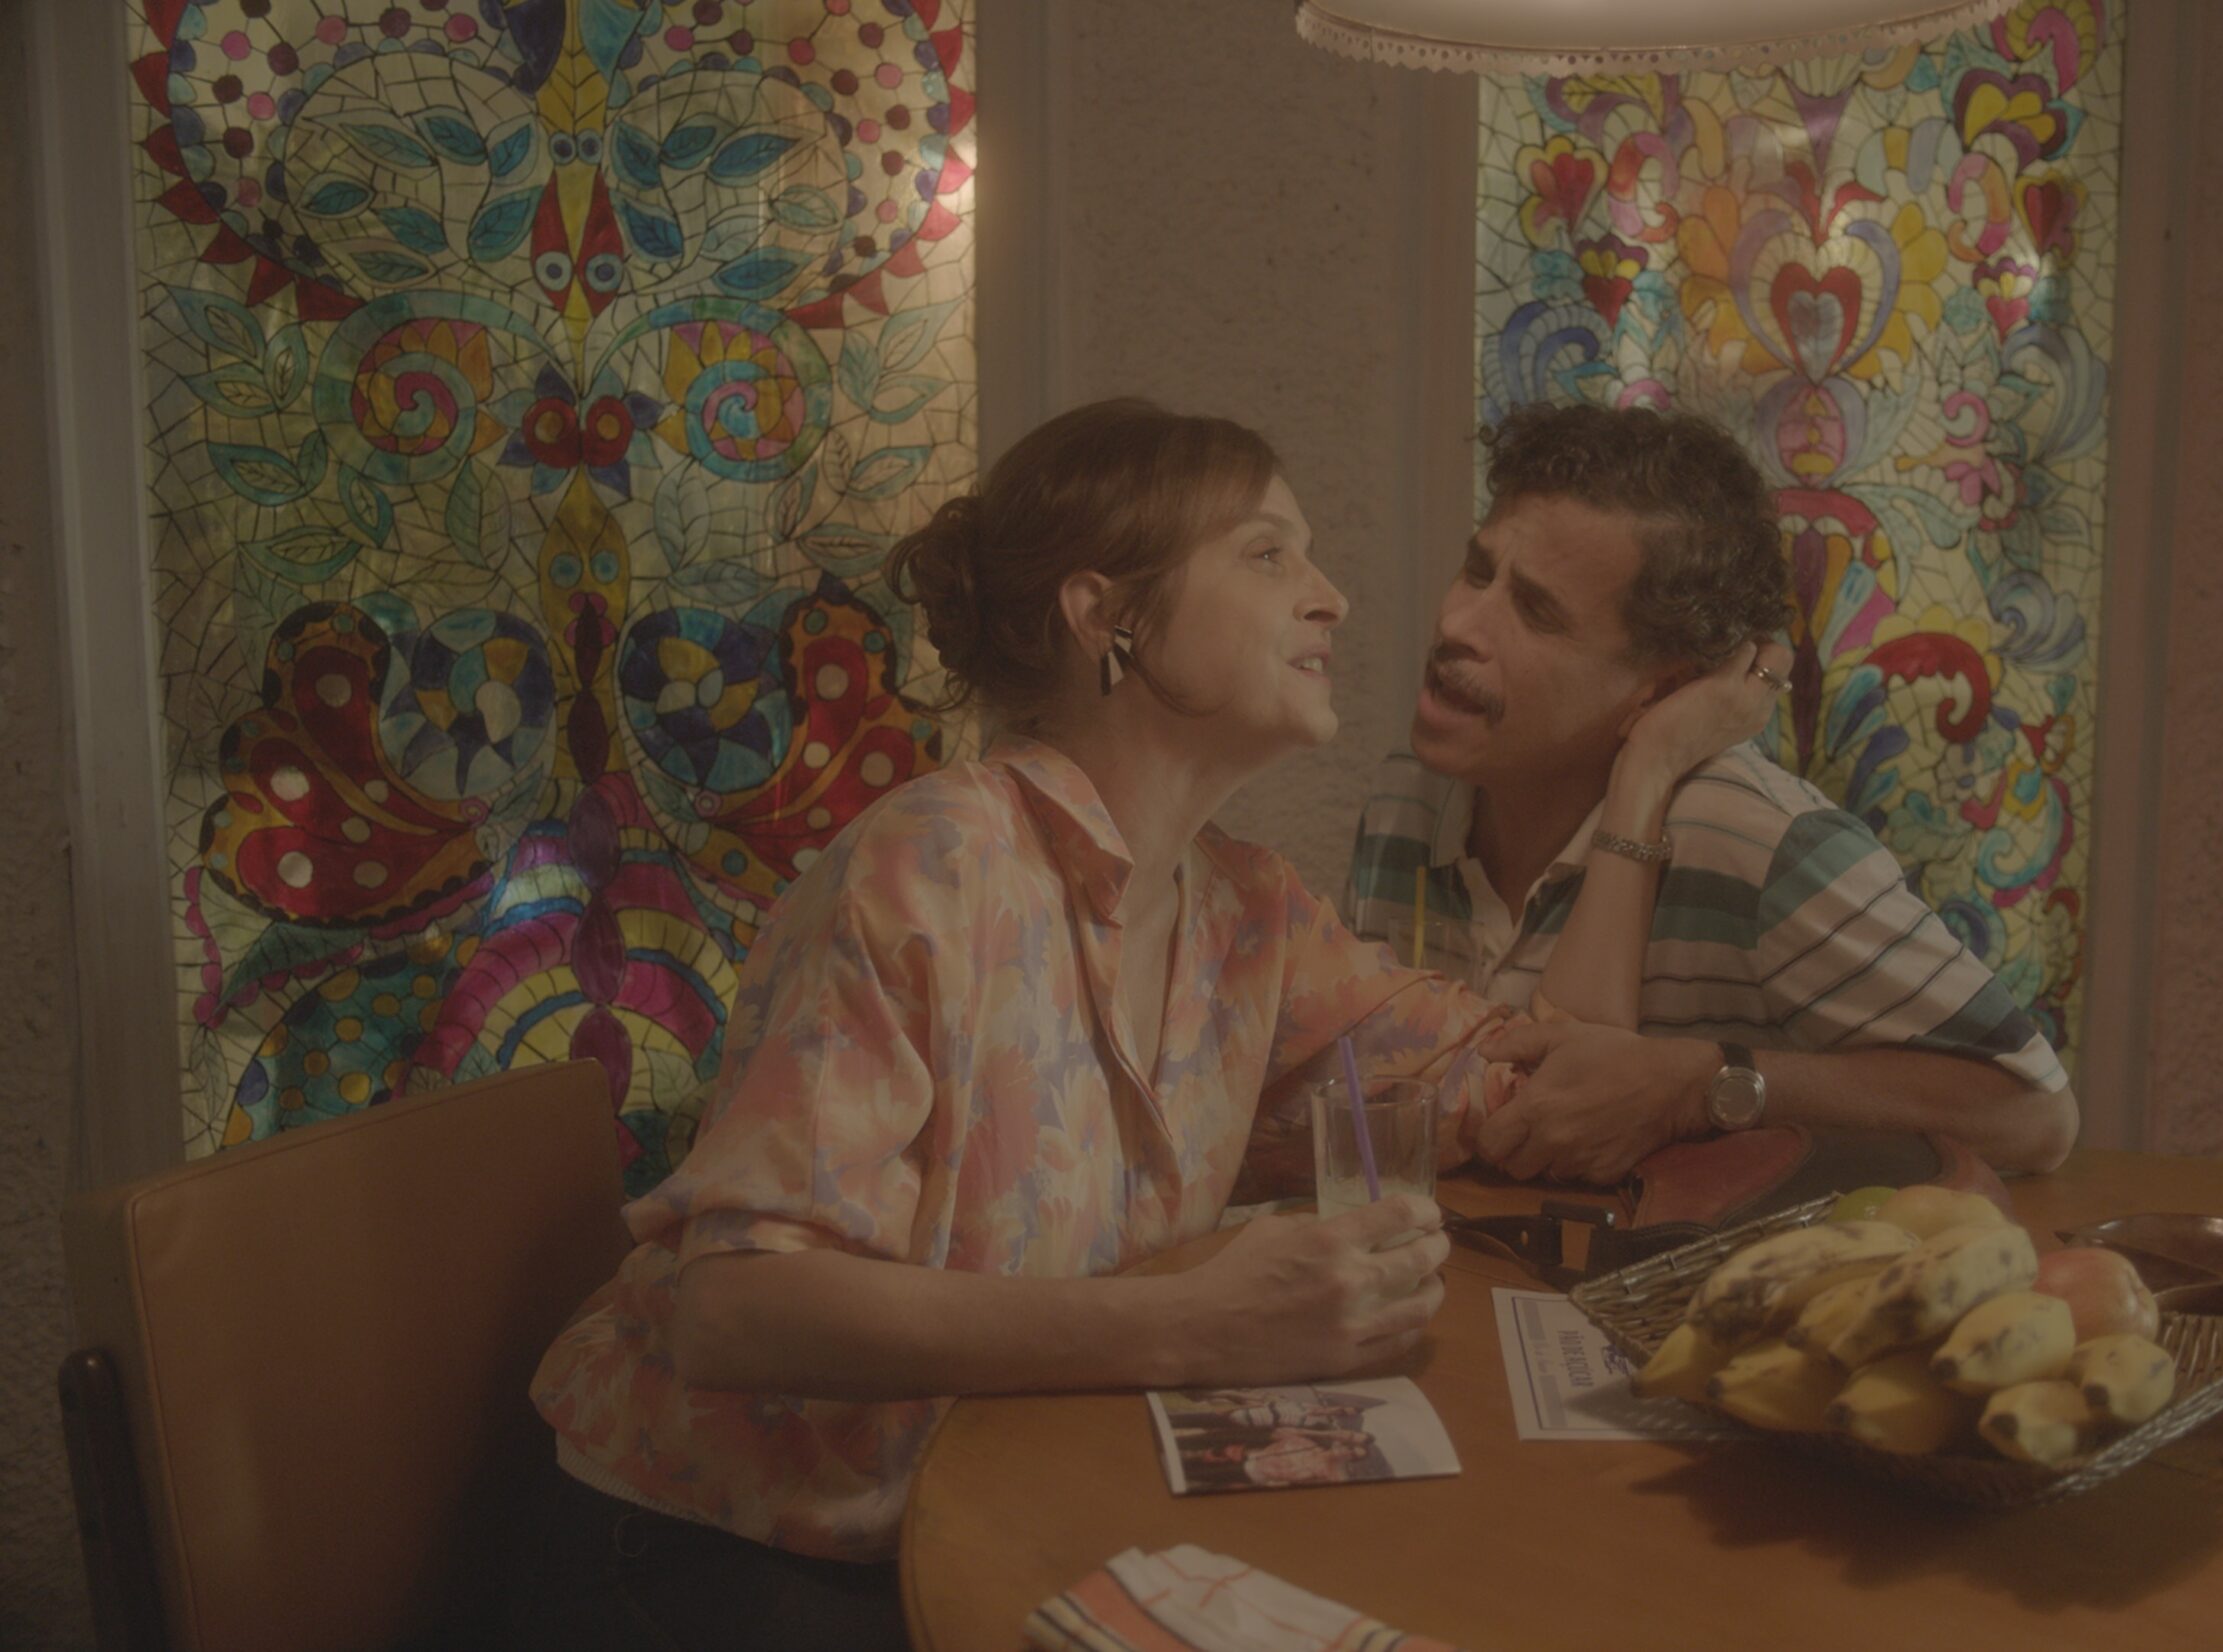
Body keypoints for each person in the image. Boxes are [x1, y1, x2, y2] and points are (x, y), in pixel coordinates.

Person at [500, 399, 1773, 1650]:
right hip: (718, 1547)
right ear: (1108, 616)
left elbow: (1563, 1083)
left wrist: (1644, 769)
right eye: (1268, 554)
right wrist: (1197, 1323)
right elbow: (736, 1310)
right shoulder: (935, 862)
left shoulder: (1249, 911)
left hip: (985, 1510)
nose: (1332, 597)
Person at [1342, 403, 2080, 1185]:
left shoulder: (1757, 840)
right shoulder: (1412, 799)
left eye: (1535, 611)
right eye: (1476, 570)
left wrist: (1708, 1084)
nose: (1457, 623)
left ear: (1662, 689)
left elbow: (2033, 1115)